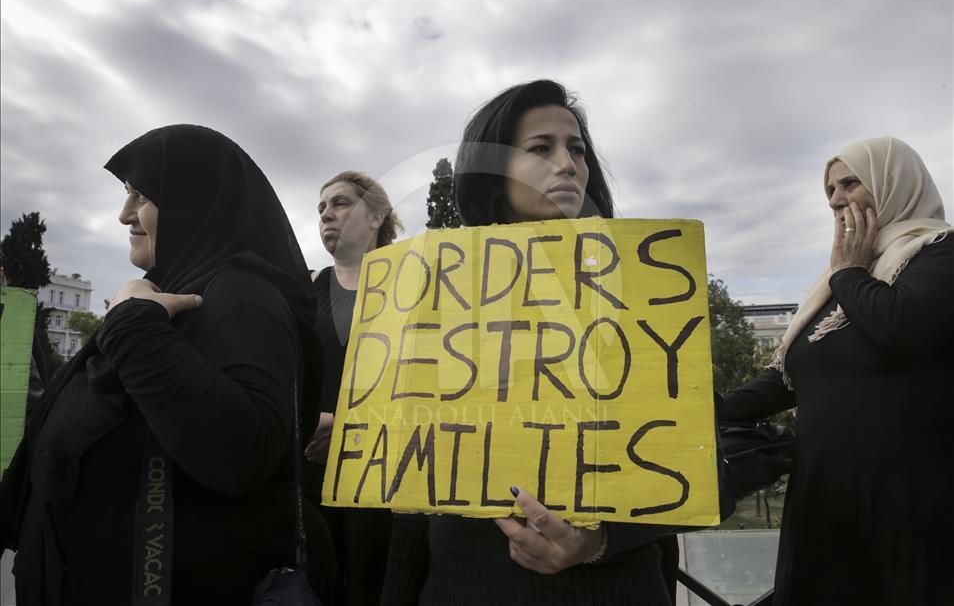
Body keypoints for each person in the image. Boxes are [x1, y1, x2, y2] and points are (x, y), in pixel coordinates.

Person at [381, 79, 718, 605]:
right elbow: (415, 489)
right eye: (540, 148)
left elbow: (698, 459)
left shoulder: (646, 289)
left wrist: (599, 542)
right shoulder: (437, 296)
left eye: (577, 148)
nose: (568, 164)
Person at [0, 124, 335, 605]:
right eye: (126, 194)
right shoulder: (168, 291)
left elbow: (246, 450)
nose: (124, 214)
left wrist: (132, 326)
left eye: (141, 195)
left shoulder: (243, 296)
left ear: (193, 198)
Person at [721, 136, 953, 605]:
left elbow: (898, 328)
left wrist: (848, 272)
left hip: (906, 507)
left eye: (850, 183)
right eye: (829, 190)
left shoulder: (938, 253)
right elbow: (795, 376)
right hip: (824, 505)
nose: (835, 200)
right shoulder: (840, 283)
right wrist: (704, 407)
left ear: (893, 182)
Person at [303, 170, 403, 605]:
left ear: (377, 214)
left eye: (340, 203)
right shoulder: (307, 291)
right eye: (321, 208)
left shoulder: (416, 286)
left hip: (387, 479)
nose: (327, 214)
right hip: (312, 475)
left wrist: (347, 427)